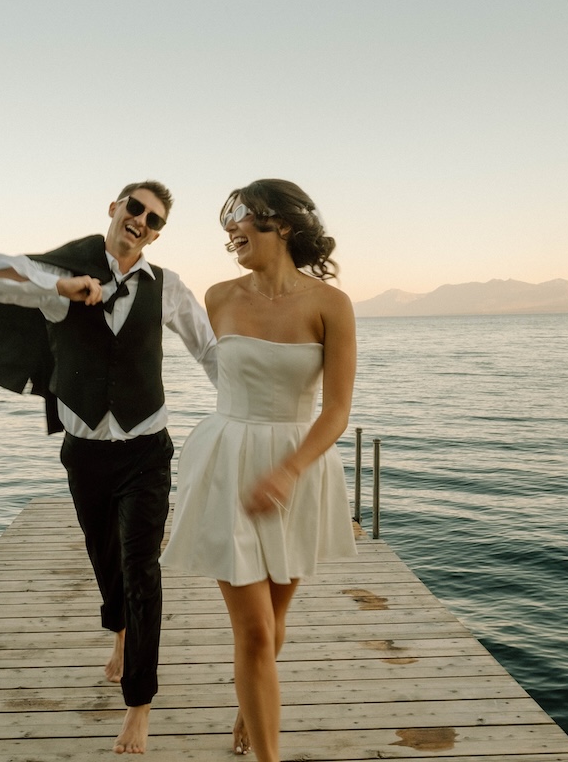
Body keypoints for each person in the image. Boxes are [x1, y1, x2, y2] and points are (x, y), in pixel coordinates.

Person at [0, 181, 217, 754]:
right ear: (115, 208)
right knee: (105, 557)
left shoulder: (167, 287)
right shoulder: (61, 283)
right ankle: (119, 635)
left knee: (142, 568)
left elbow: (209, 349)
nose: (142, 222)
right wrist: (59, 284)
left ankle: (139, 703)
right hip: (85, 454)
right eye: (135, 208)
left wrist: (249, 413)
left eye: (154, 219)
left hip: (148, 449)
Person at [160, 179, 357, 762]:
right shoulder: (219, 296)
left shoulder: (331, 305)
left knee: (273, 622)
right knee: (251, 629)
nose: (230, 227)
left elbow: (338, 411)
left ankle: (250, 705)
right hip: (228, 462)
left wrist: (291, 471)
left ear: (284, 225)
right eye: (227, 218)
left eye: (242, 214)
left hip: (299, 468)